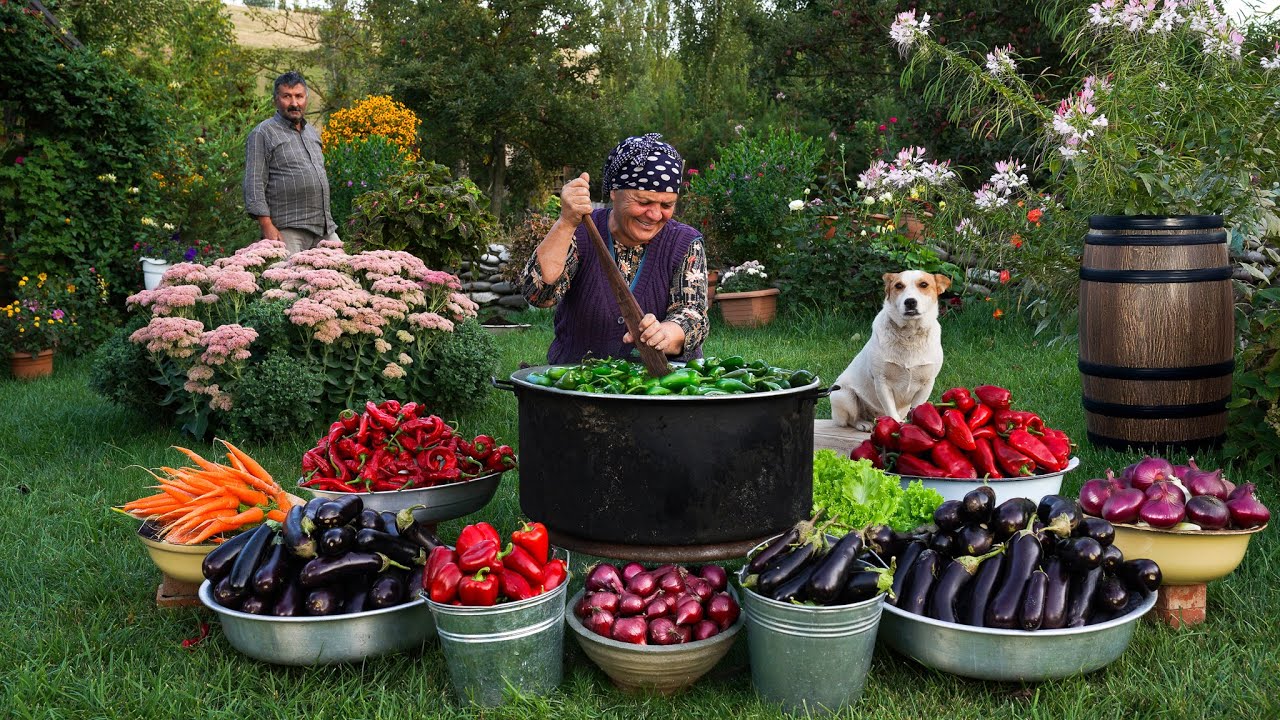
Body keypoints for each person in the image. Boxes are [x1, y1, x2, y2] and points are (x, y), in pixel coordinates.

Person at [521, 134, 708, 364]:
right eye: (643, 202)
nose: (655, 214)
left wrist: (667, 333)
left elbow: (693, 314)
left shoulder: (684, 243)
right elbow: (539, 295)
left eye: (666, 205)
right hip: (581, 383)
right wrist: (566, 222)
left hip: (664, 389)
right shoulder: (580, 232)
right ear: (613, 192)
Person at [243, 71, 338, 255]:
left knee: (345, 275)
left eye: (299, 96)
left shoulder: (312, 133)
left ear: (306, 99)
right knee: (289, 282)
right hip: (287, 231)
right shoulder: (263, 133)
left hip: (324, 229)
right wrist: (267, 226)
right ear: (276, 100)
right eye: (287, 96)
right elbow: (253, 183)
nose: (294, 103)